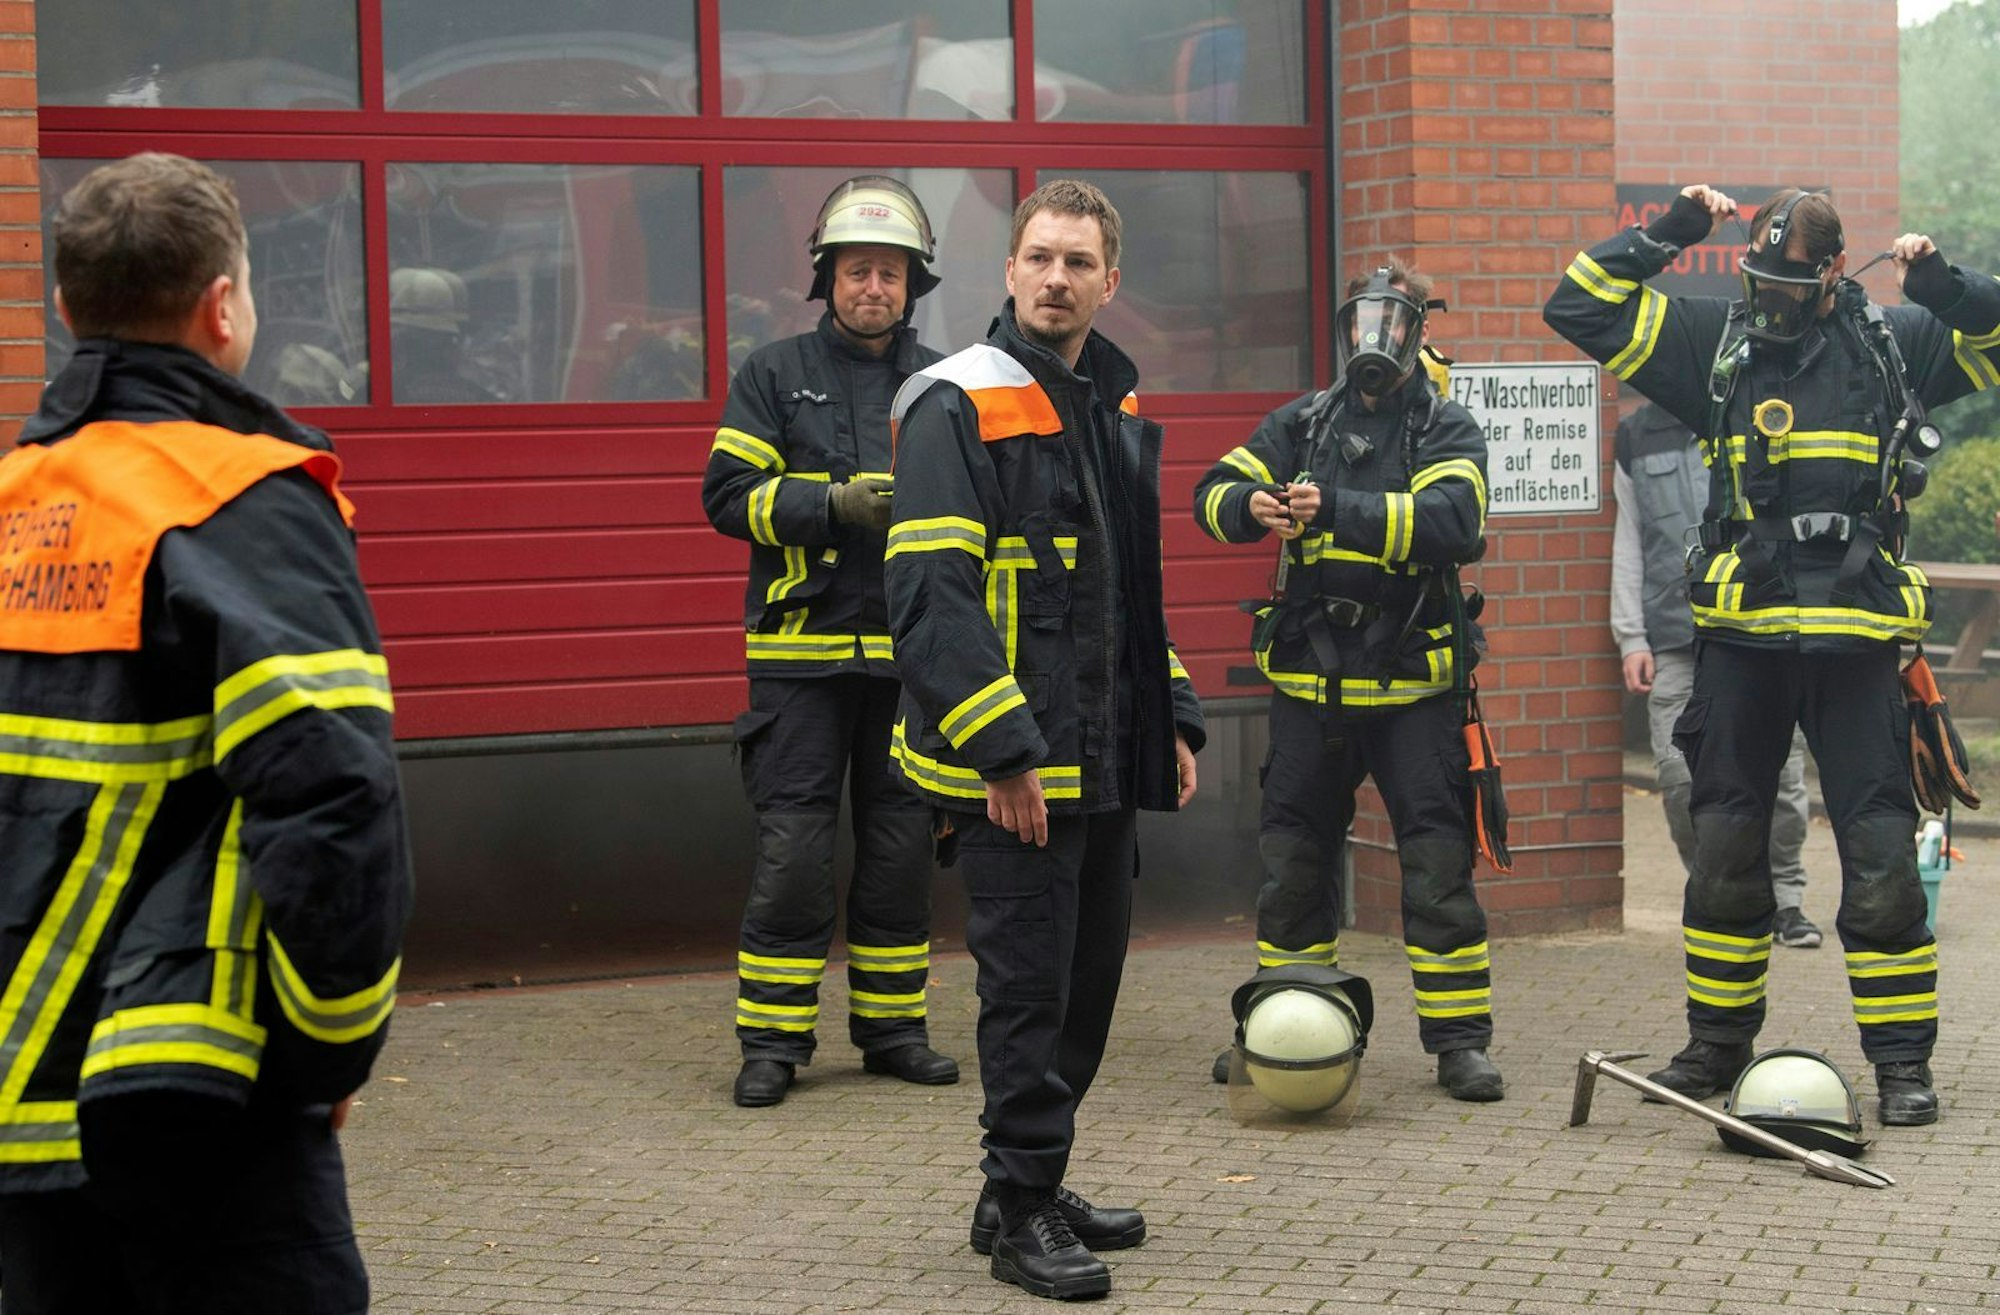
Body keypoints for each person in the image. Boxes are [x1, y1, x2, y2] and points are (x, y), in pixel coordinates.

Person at [0, 153, 412, 1311]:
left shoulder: (13, 502)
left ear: (68, 310)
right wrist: (327, 1055)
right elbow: (335, 797)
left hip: (19, 1112)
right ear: (223, 306)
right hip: (194, 1097)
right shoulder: (246, 498)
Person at [1546, 184, 2000, 1125]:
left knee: (1878, 860)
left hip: (1857, 652)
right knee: (1721, 853)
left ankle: (1903, 1066)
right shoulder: (1713, 337)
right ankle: (1715, 1048)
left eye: (1789, 283)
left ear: (1834, 271)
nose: (1770, 298)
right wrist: (1671, 233)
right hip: (1743, 648)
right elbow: (1578, 304)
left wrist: (1945, 287)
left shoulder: (1896, 340)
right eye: (1758, 277)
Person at [884, 179, 1204, 1301]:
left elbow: (1123, 593)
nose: (1055, 277)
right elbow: (932, 597)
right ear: (1008, 270)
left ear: (1108, 282)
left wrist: (1172, 713)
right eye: (1037, 257)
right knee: (1025, 992)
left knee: (1084, 986)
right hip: (1018, 764)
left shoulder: (1103, 404)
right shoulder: (957, 402)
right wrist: (1002, 752)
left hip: (1106, 751)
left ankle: (1021, 1180)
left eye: (1077, 262)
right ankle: (1020, 1209)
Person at [1192, 257, 1503, 1104]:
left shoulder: (1445, 427)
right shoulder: (1303, 422)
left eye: (1395, 324)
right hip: (1310, 686)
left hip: (1413, 689)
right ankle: (1286, 1024)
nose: (1379, 340)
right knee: (1292, 857)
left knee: (1436, 863)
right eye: (1365, 322)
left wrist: (1333, 508)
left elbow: (1454, 522)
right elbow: (1210, 492)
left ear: (1418, 331)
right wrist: (1245, 507)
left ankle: (1459, 1043)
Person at [702, 176, 958, 1109]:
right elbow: (726, 497)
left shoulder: (943, 382)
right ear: (828, 279)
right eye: (858, 272)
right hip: (799, 663)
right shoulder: (772, 375)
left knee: (898, 848)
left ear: (913, 285)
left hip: (906, 659)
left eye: (890, 274)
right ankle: (772, 1041)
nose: (873, 289)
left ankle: (893, 1028)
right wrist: (830, 504)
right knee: (794, 852)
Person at [1613, 399, 1822, 949]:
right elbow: (1628, 540)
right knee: (1679, 779)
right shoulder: (1635, 436)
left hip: (1759, 631)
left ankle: (1787, 902)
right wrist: (1631, 635)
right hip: (1674, 637)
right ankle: (1720, 892)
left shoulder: (1757, 410)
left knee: (1781, 778)